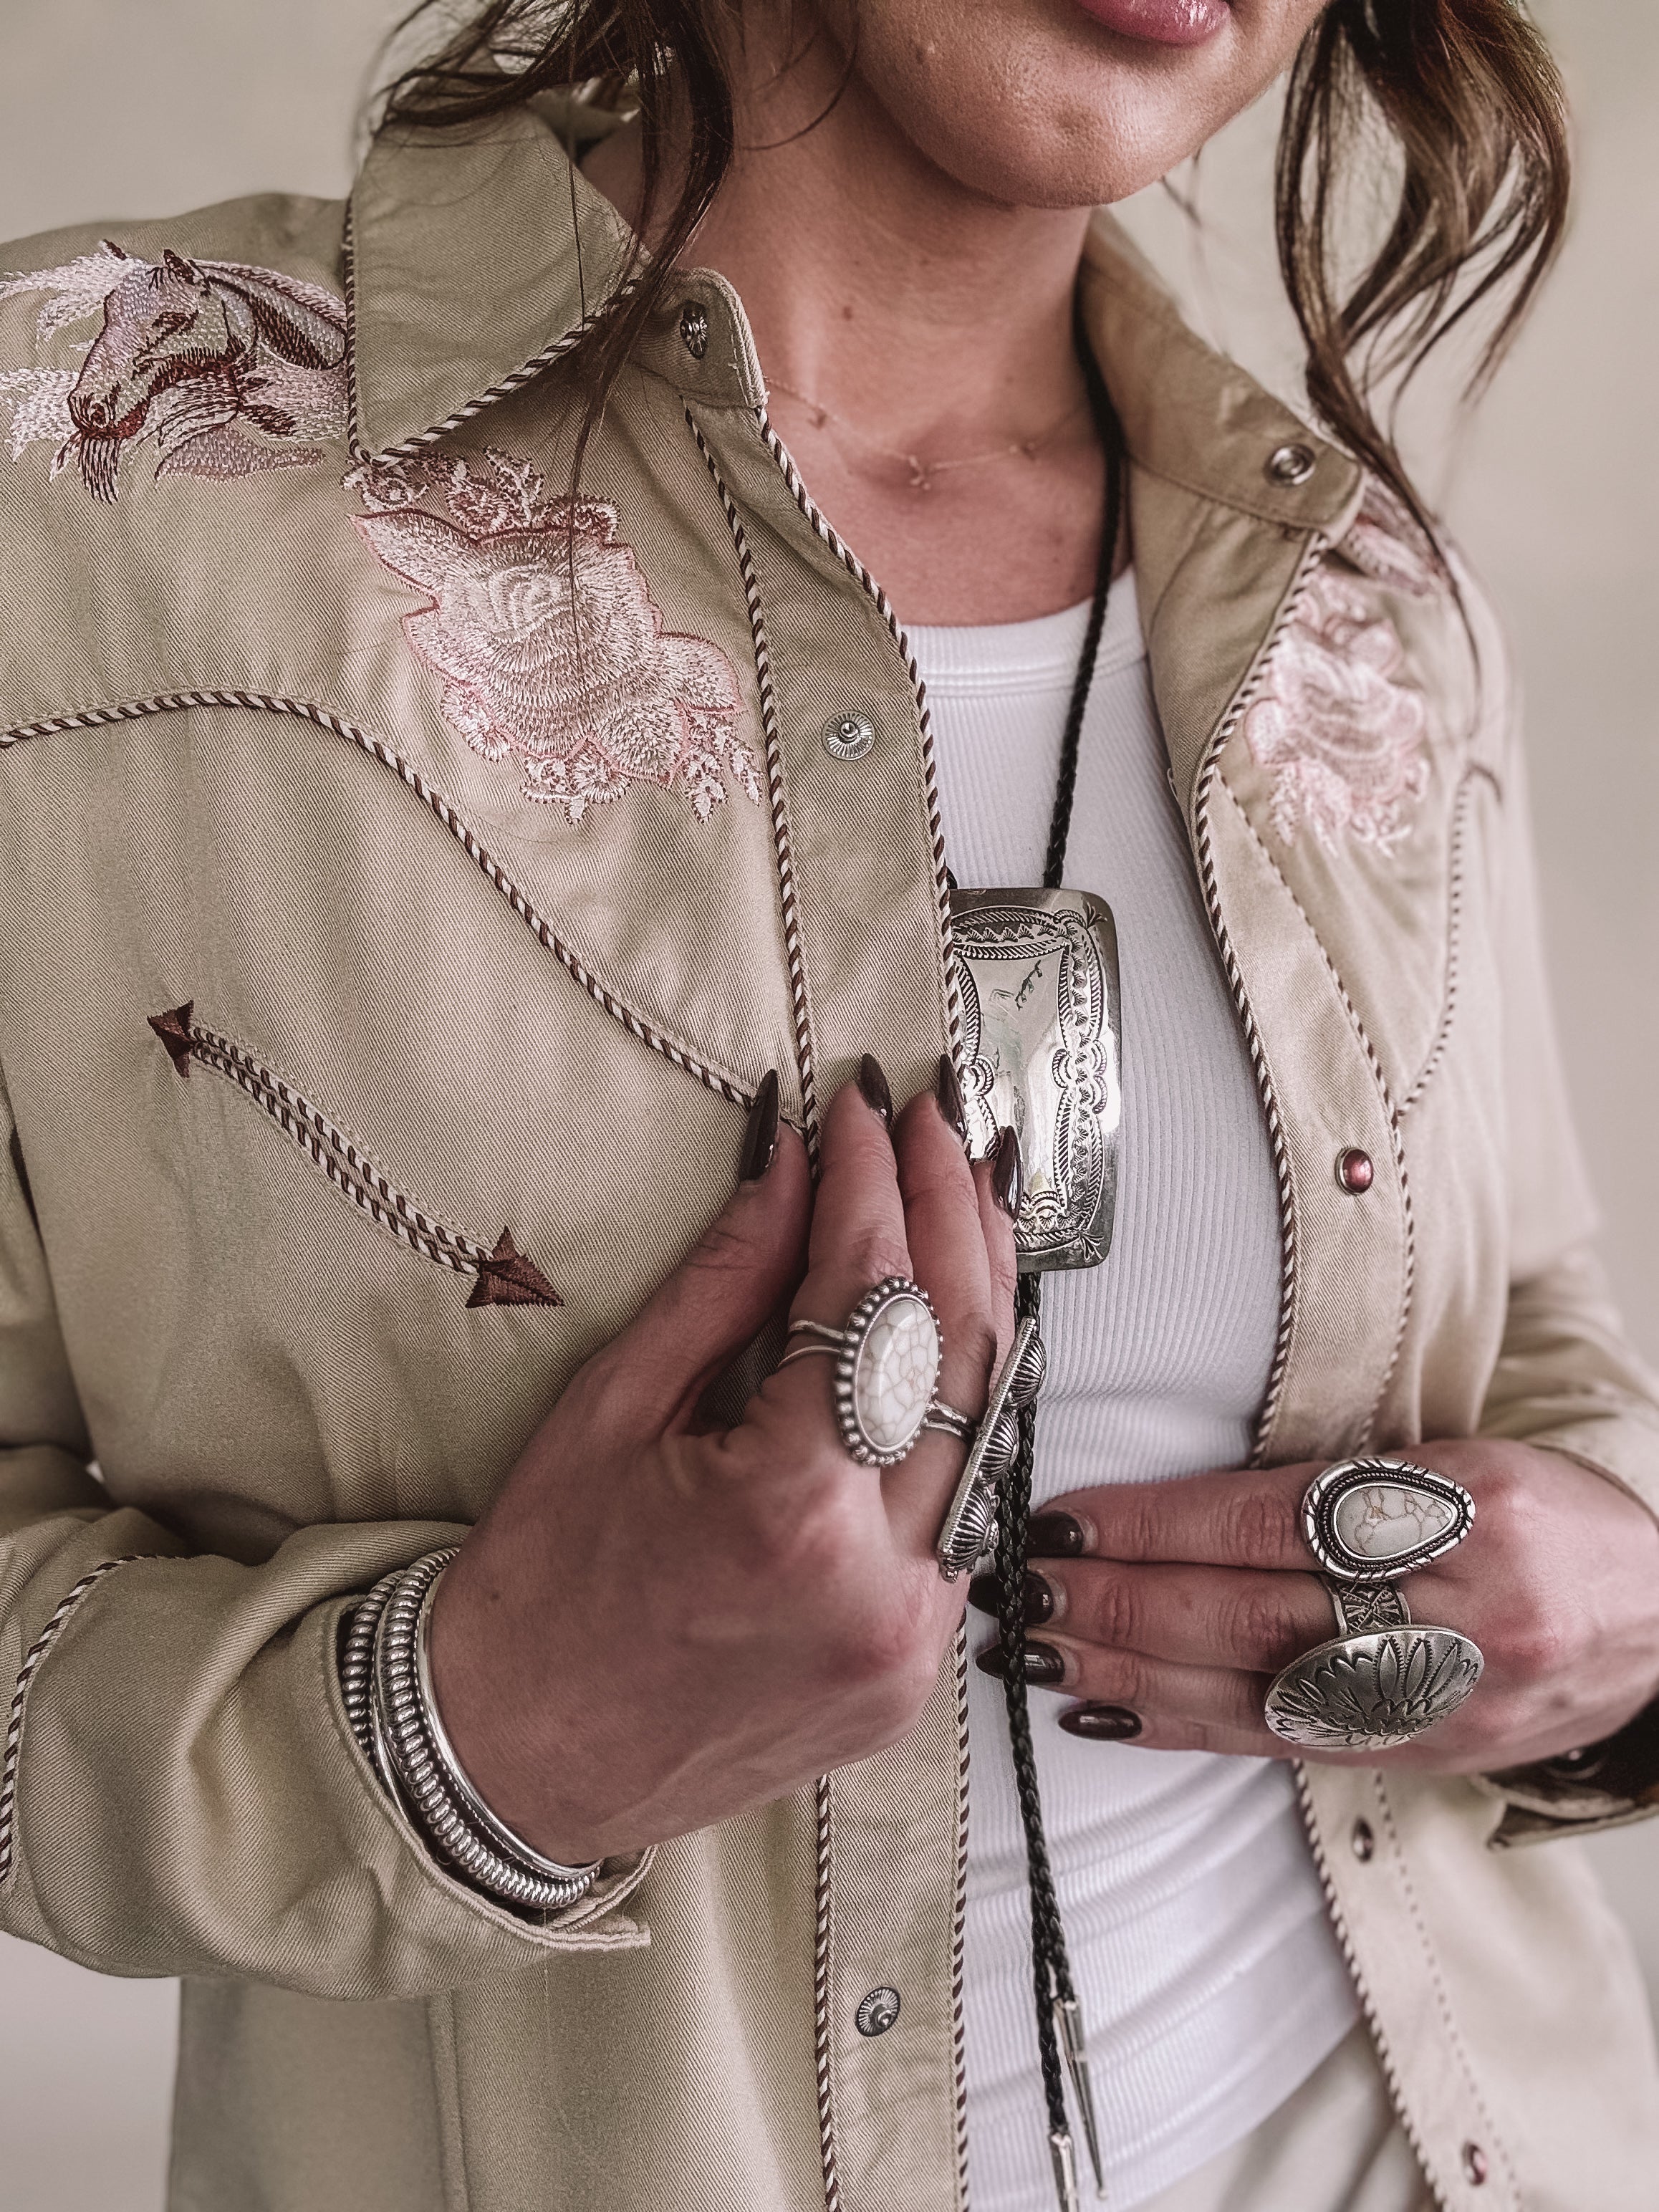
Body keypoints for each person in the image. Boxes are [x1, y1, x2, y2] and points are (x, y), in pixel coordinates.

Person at [0, 0, 1656, 2207]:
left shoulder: (1360, 596)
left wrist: (1614, 1616)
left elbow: (1536, 1319)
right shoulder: (96, 466)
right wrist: (481, 1726)